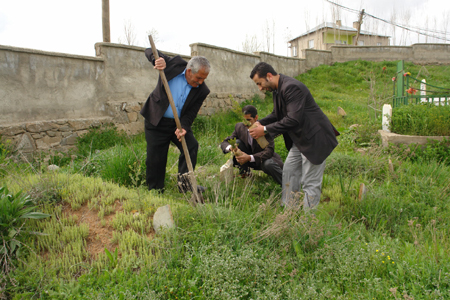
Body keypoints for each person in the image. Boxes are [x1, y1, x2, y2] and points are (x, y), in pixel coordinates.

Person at [248, 62, 339, 210]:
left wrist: (264, 130)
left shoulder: (291, 87)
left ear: (269, 76)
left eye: (259, 83)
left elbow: (292, 119)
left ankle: (308, 225)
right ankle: (288, 213)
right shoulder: (278, 90)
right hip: (300, 140)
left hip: (315, 139)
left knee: (310, 182)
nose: (260, 88)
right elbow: (276, 115)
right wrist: (258, 123)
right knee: (289, 173)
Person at [140, 48, 210, 193]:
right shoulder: (174, 64)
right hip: (157, 120)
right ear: (189, 71)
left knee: (191, 146)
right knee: (156, 158)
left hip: (177, 124)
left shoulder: (202, 90)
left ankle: (185, 186)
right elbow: (149, 50)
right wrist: (156, 60)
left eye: (204, 79)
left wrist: (184, 127)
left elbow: (191, 113)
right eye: (198, 78)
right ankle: (155, 190)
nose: (201, 82)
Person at [220, 105, 284, 185]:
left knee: (268, 164)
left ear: (256, 117)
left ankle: (287, 184)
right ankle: (244, 173)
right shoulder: (240, 127)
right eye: (244, 120)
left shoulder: (263, 129)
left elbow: (269, 151)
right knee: (238, 142)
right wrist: (231, 148)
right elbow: (226, 141)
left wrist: (249, 157)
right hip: (248, 159)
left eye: (249, 120)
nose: (246, 123)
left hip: (263, 159)